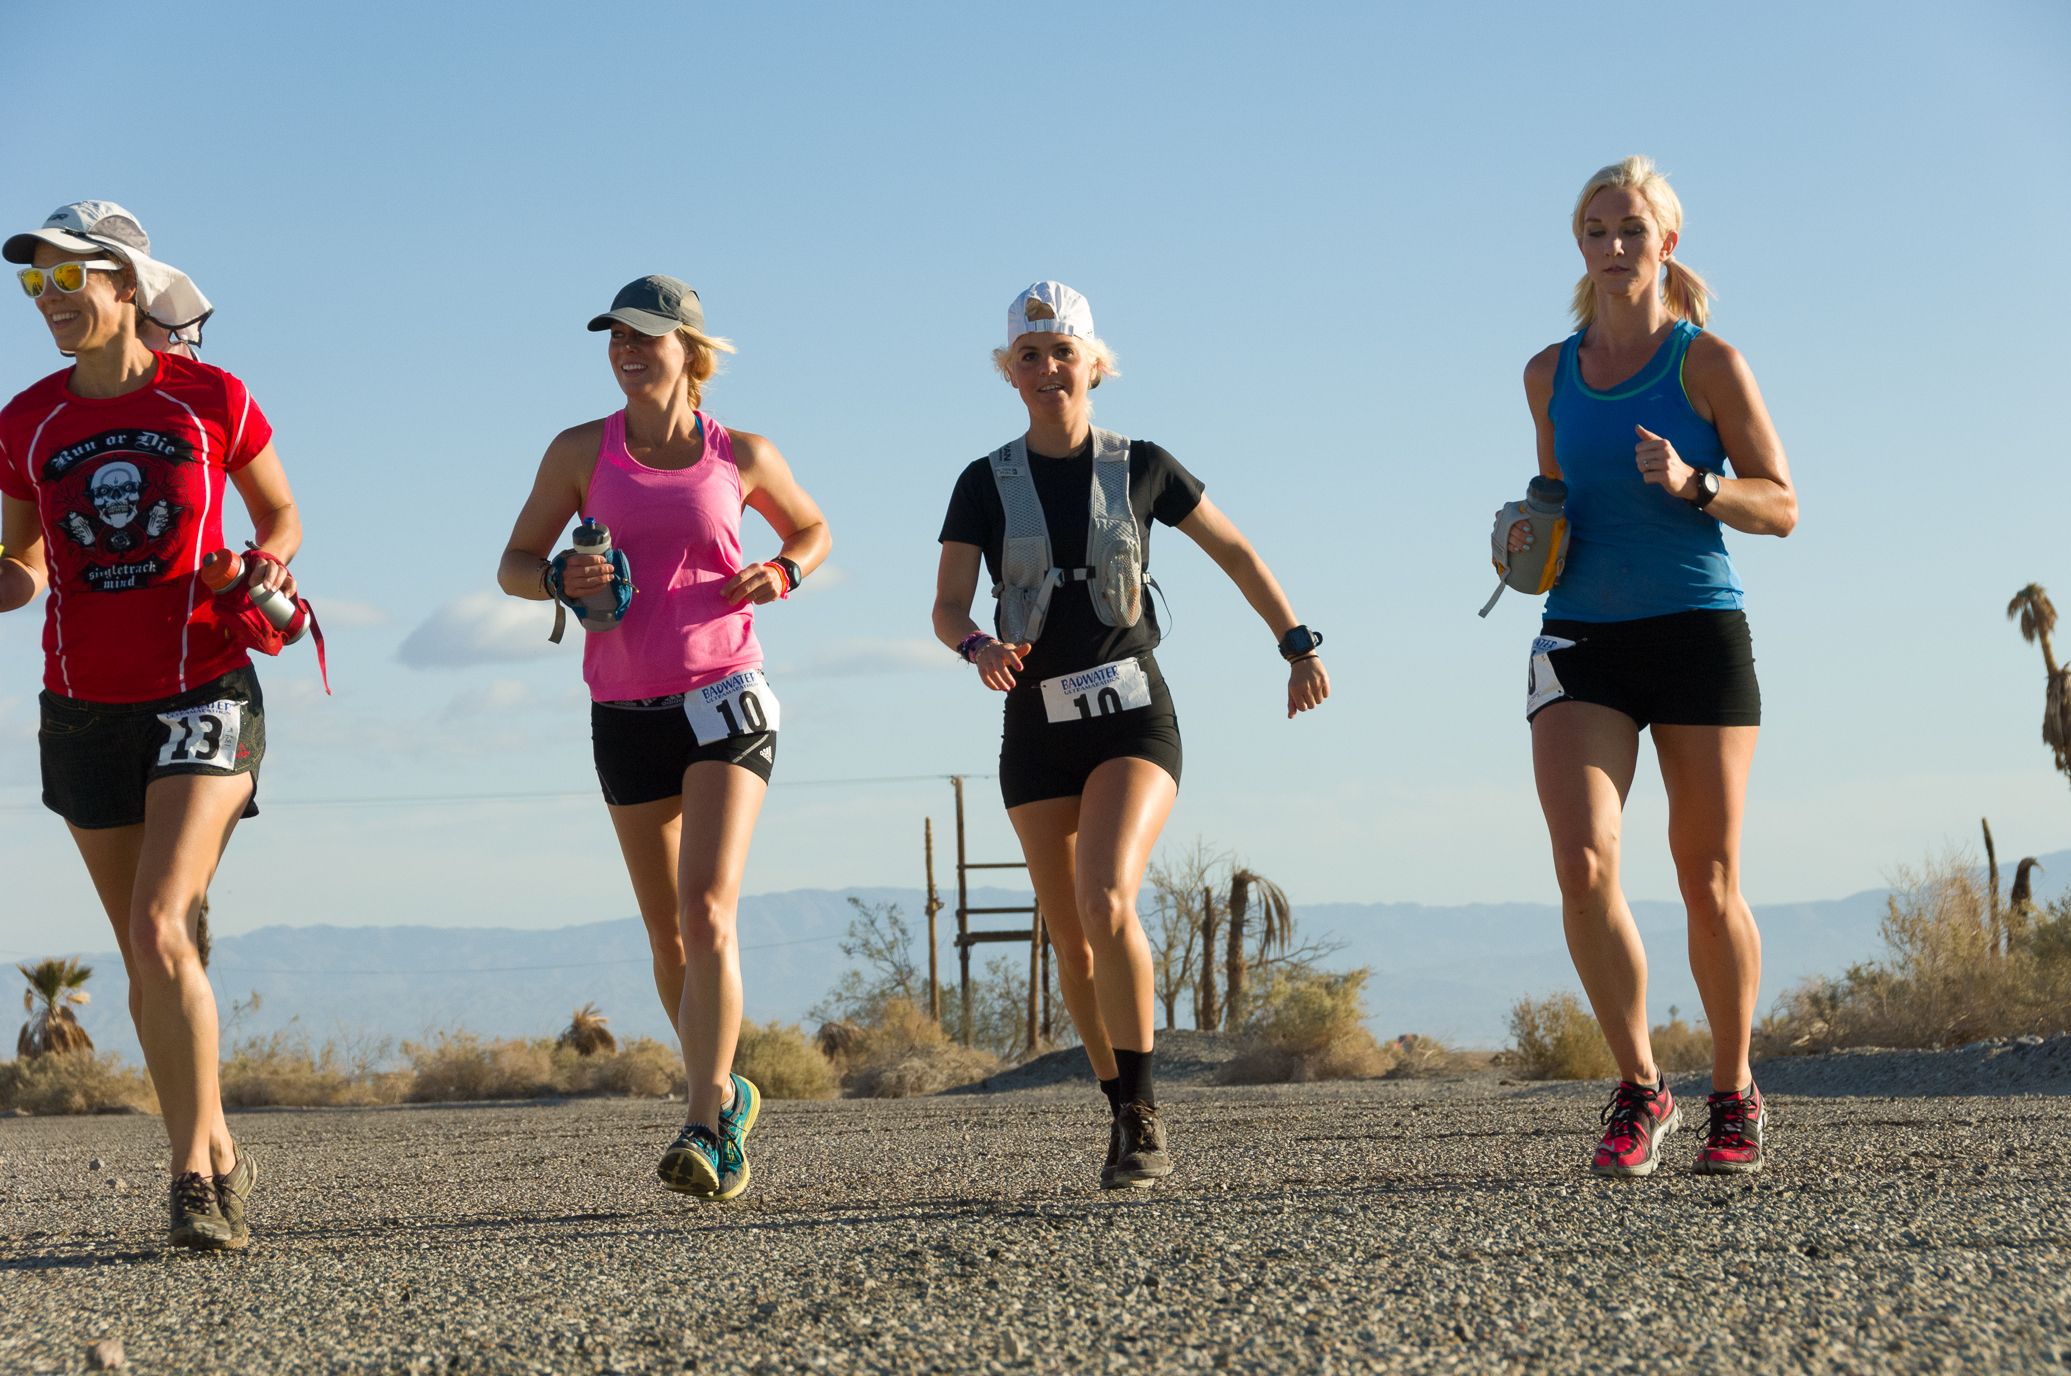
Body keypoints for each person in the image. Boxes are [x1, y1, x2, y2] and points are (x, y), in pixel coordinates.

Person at [934, 281, 1329, 1189]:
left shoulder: (1142, 464)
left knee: (1107, 895)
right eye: (1027, 356)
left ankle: (1146, 1113)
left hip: (1131, 716)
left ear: (1094, 362)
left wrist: (1295, 643)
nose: (1046, 369)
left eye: (1061, 352)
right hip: (1034, 723)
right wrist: (975, 644)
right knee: (1071, 936)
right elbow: (947, 604)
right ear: (1010, 372)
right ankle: (1118, 1111)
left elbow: (1235, 551)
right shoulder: (980, 481)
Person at [2, 205, 302, 1248]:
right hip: (82, 707)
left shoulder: (210, 397)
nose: (47, 300)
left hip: (203, 687)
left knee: (159, 924)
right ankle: (214, 1138)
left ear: (125, 284)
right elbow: (25, 565)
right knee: (148, 953)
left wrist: (266, 567)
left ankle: (190, 1184)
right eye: (33, 285)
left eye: (66, 279)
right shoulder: (25, 419)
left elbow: (282, 515)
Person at [498, 275, 829, 1202]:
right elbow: (513, 566)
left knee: (707, 910)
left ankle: (702, 1125)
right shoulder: (578, 451)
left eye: (646, 336)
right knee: (666, 933)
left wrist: (782, 570)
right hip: (622, 706)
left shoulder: (742, 452)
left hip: (726, 694)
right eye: (615, 337)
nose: (627, 350)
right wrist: (561, 575)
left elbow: (812, 528)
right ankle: (725, 1093)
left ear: (692, 351)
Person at [1512, 157, 1797, 1177]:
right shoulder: (1548, 371)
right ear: (1579, 244)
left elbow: (1782, 504)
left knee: (1704, 875)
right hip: (1580, 632)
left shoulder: (1706, 363)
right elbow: (1552, 495)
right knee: (1583, 866)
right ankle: (1640, 1085)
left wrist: (1696, 483)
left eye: (1631, 228)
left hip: (1695, 632)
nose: (1613, 245)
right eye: (1595, 228)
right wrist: (1517, 535)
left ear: (1664, 242)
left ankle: (1734, 1089)